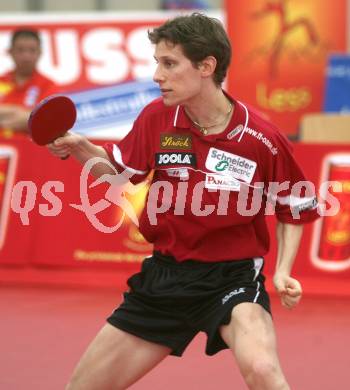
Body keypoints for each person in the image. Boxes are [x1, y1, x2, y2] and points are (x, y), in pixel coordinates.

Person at [48, 13, 319, 390]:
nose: (158, 75)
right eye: (157, 63)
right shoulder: (157, 118)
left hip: (233, 278)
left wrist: (284, 270)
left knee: (263, 371)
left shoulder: (261, 138)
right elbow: (123, 176)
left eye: (169, 63)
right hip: (166, 277)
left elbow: (297, 206)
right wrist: (80, 149)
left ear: (207, 66)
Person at [0, 28, 58, 136]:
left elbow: (47, 122)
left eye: (32, 50)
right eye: (20, 50)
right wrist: (20, 113)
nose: (26, 56)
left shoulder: (48, 86)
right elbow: (35, 119)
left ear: (40, 53)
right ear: (10, 52)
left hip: (31, 150)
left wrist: (5, 115)